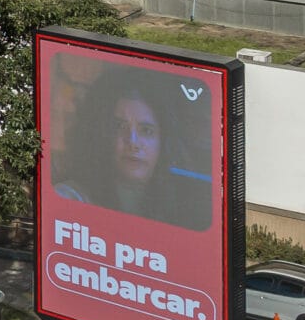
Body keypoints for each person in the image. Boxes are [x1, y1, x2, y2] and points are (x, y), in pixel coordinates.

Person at [54, 64, 213, 231]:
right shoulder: (70, 198)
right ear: (102, 133)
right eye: (119, 126)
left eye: (146, 130)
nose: (133, 142)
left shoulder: (185, 208)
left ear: (163, 141)